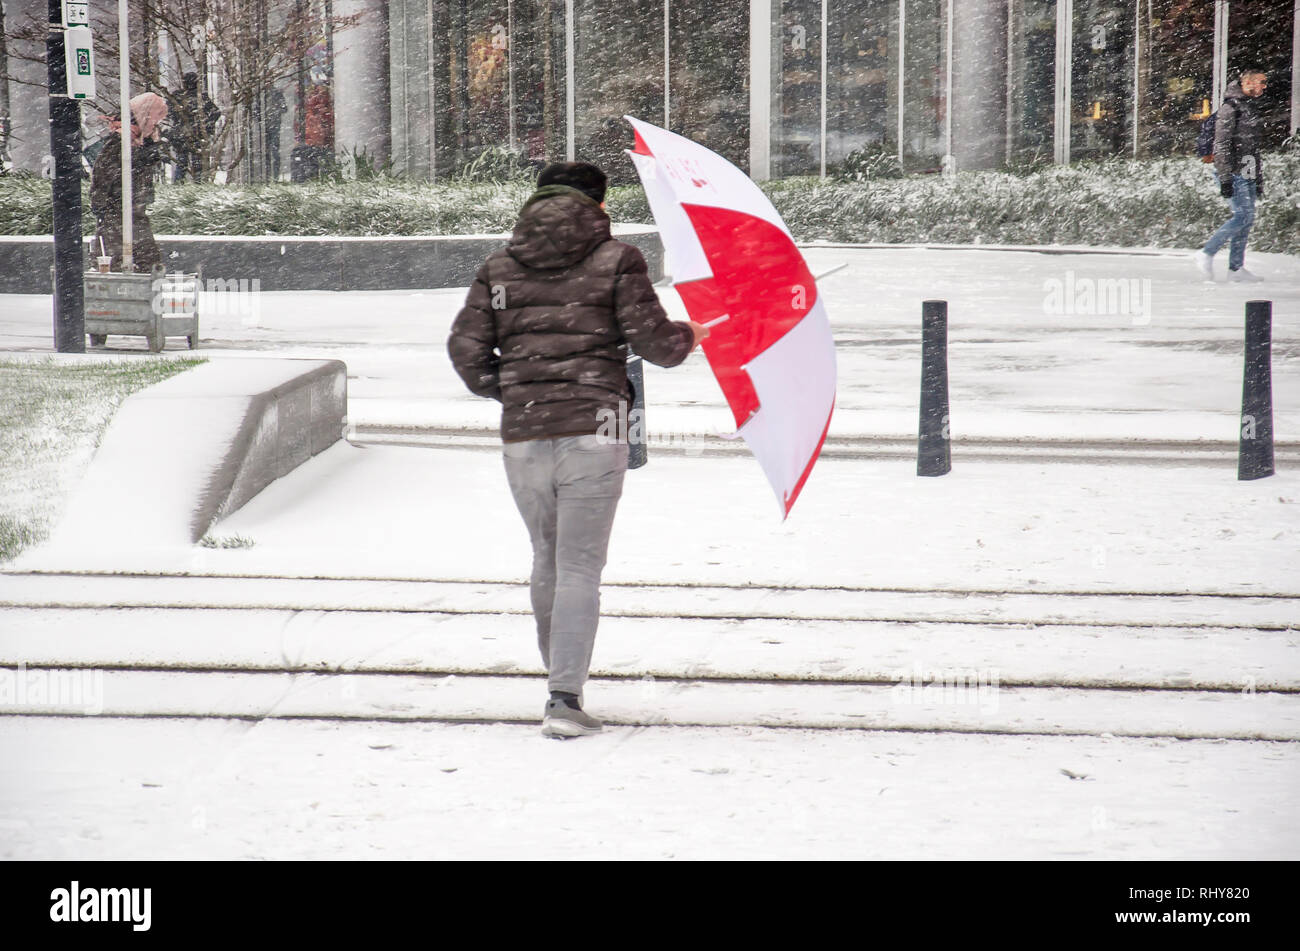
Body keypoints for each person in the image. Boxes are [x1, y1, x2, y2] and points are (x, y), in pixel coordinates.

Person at [447, 162, 709, 739]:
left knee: (547, 555)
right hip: (600, 421)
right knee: (580, 564)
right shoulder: (618, 259)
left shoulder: (498, 267)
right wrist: (692, 334)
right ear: (599, 203)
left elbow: (466, 351)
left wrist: (517, 391)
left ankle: (559, 684)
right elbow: (655, 345)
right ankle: (564, 697)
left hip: (524, 430)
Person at [1192, 69, 1267, 283]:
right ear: (1249, 83)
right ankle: (1207, 253)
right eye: (1261, 82)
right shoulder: (1230, 107)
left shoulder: (1249, 107)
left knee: (1247, 218)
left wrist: (1257, 178)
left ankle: (1236, 268)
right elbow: (1222, 144)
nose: (1264, 86)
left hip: (1248, 170)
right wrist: (1225, 177)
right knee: (1242, 216)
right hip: (1234, 172)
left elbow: (1252, 147)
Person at [90, 93, 168, 272]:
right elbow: (103, 175)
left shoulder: (136, 140)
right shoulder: (121, 141)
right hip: (119, 212)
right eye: (155, 120)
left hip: (130, 211)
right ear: (145, 116)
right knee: (126, 263)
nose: (155, 125)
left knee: (144, 262)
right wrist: (101, 206)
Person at [170, 72, 220, 183]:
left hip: (181, 135)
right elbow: (216, 112)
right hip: (197, 135)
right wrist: (206, 126)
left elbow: (170, 112)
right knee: (197, 164)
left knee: (181, 163)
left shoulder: (177, 96)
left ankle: (178, 187)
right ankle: (198, 185)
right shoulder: (201, 97)